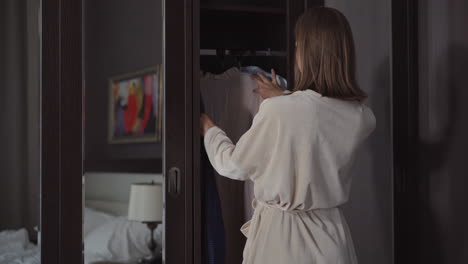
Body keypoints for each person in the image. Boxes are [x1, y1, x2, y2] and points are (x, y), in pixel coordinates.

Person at [200, 7, 375, 264]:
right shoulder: (361, 117)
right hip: (332, 240)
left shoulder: (280, 111)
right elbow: (315, 122)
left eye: (297, 45)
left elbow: (233, 165)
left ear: (306, 50)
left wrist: (209, 128)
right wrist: (282, 98)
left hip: (282, 242)